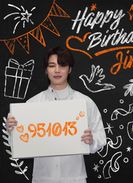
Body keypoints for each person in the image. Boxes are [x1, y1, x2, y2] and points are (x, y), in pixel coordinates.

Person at [6, 46, 107, 183]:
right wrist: (12, 130)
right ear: (46, 70)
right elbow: (18, 145)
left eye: (62, 65)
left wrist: (91, 140)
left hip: (75, 177)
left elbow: (100, 137)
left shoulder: (84, 103)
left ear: (69, 69)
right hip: (42, 177)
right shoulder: (32, 105)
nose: (57, 70)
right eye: (52, 65)